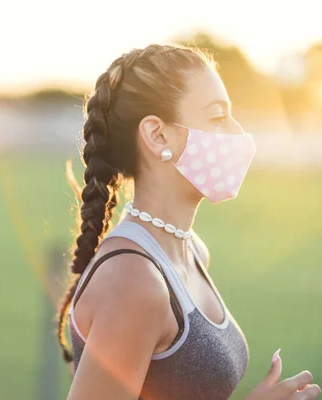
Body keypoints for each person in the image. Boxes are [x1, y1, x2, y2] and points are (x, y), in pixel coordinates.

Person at [57, 44, 321, 400]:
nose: (238, 133)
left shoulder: (191, 249)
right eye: (217, 117)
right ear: (157, 135)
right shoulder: (134, 283)